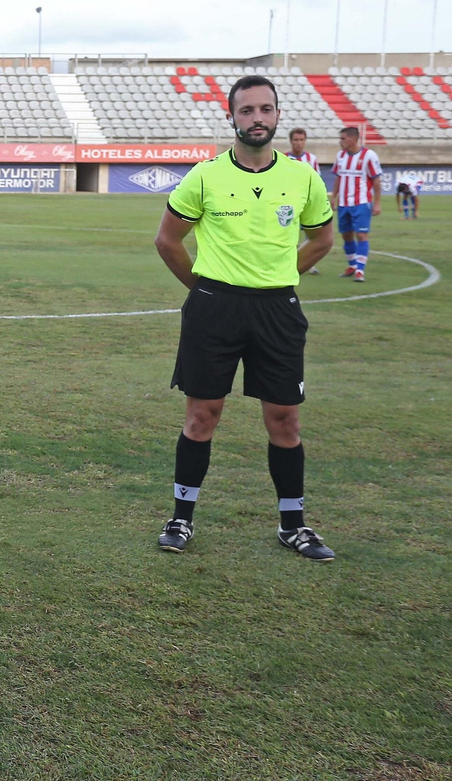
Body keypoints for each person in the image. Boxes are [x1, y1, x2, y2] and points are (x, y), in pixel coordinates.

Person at [154, 75, 336, 561]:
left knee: (285, 421)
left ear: (277, 115)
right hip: (214, 309)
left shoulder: (303, 178)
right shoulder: (205, 175)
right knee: (201, 417)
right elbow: (167, 240)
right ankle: (181, 518)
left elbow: (321, 240)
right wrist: (204, 288)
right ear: (231, 116)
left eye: (266, 109)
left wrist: (279, 276)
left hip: (277, 310)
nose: (257, 118)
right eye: (248, 110)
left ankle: (293, 525)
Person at [330, 126, 382, 282]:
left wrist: (377, 203)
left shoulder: (369, 155)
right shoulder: (340, 156)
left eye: (343, 138)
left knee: (361, 235)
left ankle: (360, 270)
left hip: (361, 202)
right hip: (343, 203)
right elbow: (338, 177)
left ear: (354, 138)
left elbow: (376, 180)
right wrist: (334, 197)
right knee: (346, 235)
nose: (341, 142)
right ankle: (352, 265)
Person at [287, 128, 322, 273]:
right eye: (296, 140)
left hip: (306, 203)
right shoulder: (283, 158)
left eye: (301, 140)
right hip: (288, 203)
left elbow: (317, 181)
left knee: (311, 234)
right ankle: (287, 262)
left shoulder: (311, 159)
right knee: (289, 234)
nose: (299, 143)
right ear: (291, 141)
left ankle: (308, 263)